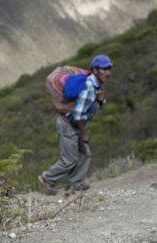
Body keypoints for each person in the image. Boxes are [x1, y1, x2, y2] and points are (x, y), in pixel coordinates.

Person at [38, 54, 113, 194]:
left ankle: (75, 183)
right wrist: (83, 131)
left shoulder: (96, 86)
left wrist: (100, 100)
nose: (108, 73)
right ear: (95, 70)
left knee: (85, 154)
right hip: (69, 124)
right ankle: (47, 178)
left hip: (74, 123)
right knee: (70, 160)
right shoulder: (89, 87)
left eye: (109, 69)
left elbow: (88, 107)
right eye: (104, 69)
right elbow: (77, 115)